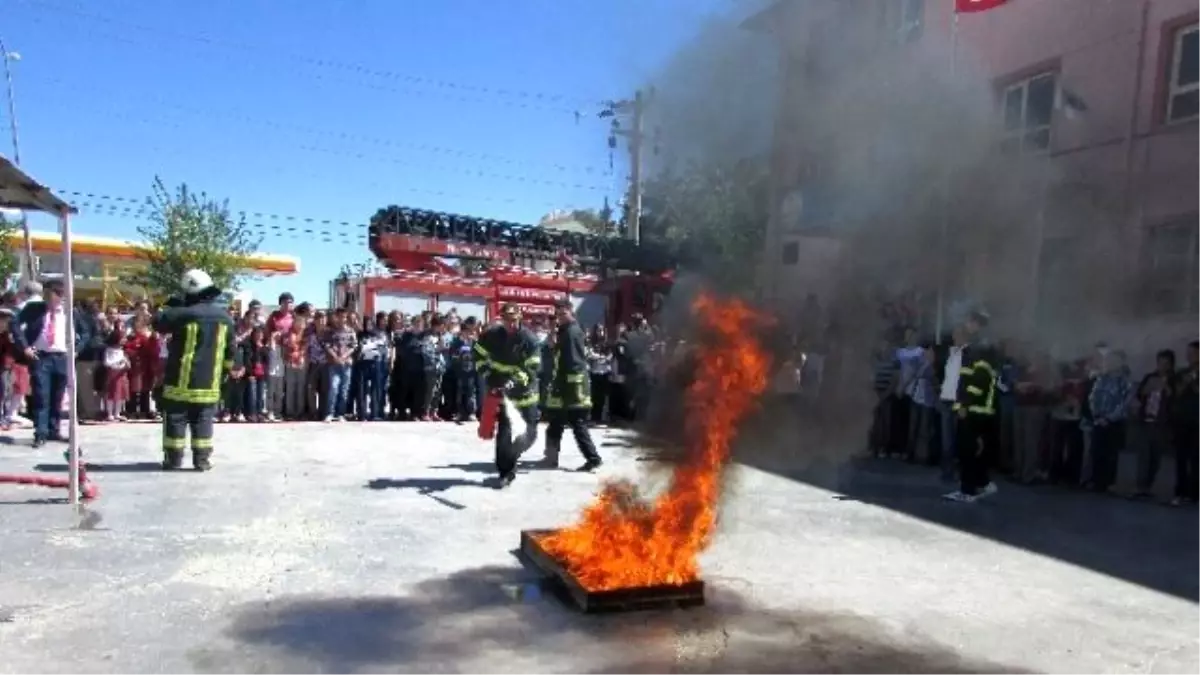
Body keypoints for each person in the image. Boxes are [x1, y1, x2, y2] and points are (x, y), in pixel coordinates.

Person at [155, 269, 237, 471]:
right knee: (203, 420)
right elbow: (230, 352)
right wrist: (224, 376)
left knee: (175, 419)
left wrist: (171, 306)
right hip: (209, 383)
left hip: (179, 382)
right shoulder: (226, 319)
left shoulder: (181, 314)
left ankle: (173, 460)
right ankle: (201, 461)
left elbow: (158, 322)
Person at [13, 279, 90, 447]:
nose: (49, 298)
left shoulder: (71, 312)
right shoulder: (34, 309)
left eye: (53, 295)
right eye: (46, 295)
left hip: (62, 357)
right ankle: (41, 433)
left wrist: (76, 350)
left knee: (58, 396)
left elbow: (86, 332)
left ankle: (54, 430)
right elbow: (15, 323)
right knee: (42, 395)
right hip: (41, 357)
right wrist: (25, 347)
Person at [474, 302, 541, 488]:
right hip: (503, 395)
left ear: (519, 318)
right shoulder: (492, 335)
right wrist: (487, 373)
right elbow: (478, 353)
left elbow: (533, 366)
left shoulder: (529, 339)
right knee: (504, 435)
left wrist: (514, 380)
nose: (509, 324)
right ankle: (505, 473)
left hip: (526, 394)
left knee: (528, 435)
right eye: (506, 320)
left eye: (513, 319)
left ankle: (513, 455)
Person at [543, 298, 603, 472]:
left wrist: (570, 387)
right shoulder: (564, 330)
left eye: (563, 314)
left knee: (577, 423)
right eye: (558, 314)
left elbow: (575, 362)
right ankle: (551, 457)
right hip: (562, 385)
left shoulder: (572, 332)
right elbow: (556, 352)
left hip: (571, 386)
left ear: (571, 312)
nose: (560, 317)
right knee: (555, 423)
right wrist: (552, 333)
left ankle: (593, 458)